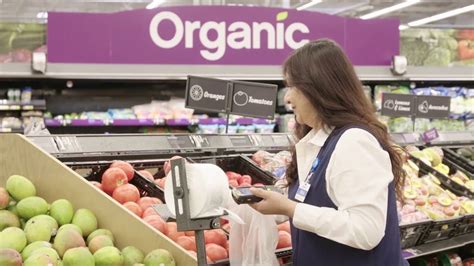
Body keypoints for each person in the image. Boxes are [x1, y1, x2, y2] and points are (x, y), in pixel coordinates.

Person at [249, 39, 408, 266]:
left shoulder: (354, 141)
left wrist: (290, 208)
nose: (287, 98)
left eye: (293, 86)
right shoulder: (317, 141)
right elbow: (314, 200)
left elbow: (366, 230)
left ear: (318, 89)